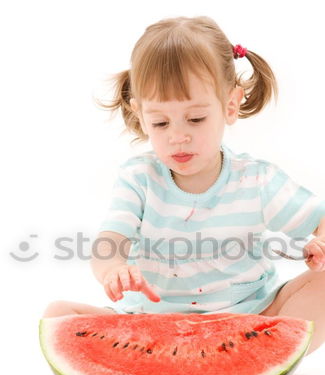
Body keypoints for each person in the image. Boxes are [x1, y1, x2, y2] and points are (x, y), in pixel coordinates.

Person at [43, 16, 325, 354]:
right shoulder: (139, 179)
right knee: (57, 318)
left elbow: (320, 222)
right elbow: (110, 242)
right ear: (140, 114)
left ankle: (251, 366)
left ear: (230, 105)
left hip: (248, 321)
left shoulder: (257, 179)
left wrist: (319, 245)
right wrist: (113, 271)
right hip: (151, 326)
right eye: (160, 122)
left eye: (195, 118)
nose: (178, 136)